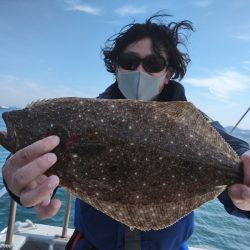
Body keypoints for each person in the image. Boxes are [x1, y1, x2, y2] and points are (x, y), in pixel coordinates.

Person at [2, 14, 250, 250]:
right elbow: (42, 178)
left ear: (168, 74)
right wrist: (18, 186)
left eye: (153, 64)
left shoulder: (193, 122)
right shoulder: (85, 117)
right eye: (129, 62)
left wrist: (244, 192)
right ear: (116, 68)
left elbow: (234, 150)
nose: (140, 72)